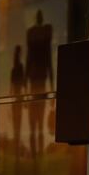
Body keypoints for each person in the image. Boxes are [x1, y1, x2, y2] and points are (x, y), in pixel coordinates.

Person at [25, 9, 53, 158]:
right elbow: (29, 57)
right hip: (35, 80)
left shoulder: (44, 32)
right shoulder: (32, 32)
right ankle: (36, 156)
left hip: (40, 79)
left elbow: (48, 58)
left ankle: (39, 156)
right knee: (33, 124)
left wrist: (53, 85)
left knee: (39, 124)